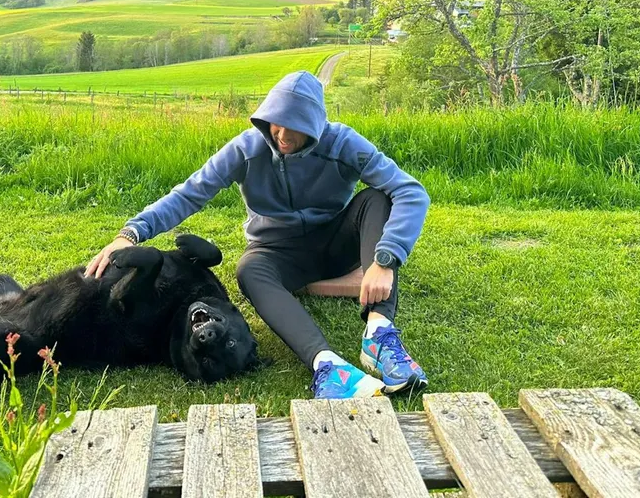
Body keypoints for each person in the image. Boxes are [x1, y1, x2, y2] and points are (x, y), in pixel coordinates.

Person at [85, 71, 430, 399]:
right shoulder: (246, 149)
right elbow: (189, 194)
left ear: (315, 126)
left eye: (295, 127)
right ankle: (327, 367)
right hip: (277, 253)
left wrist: (385, 259)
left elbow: (410, 192)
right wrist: (130, 233)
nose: (282, 134)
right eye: (276, 121)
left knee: (377, 197)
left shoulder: (342, 142)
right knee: (248, 268)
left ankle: (379, 335)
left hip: (336, 243)